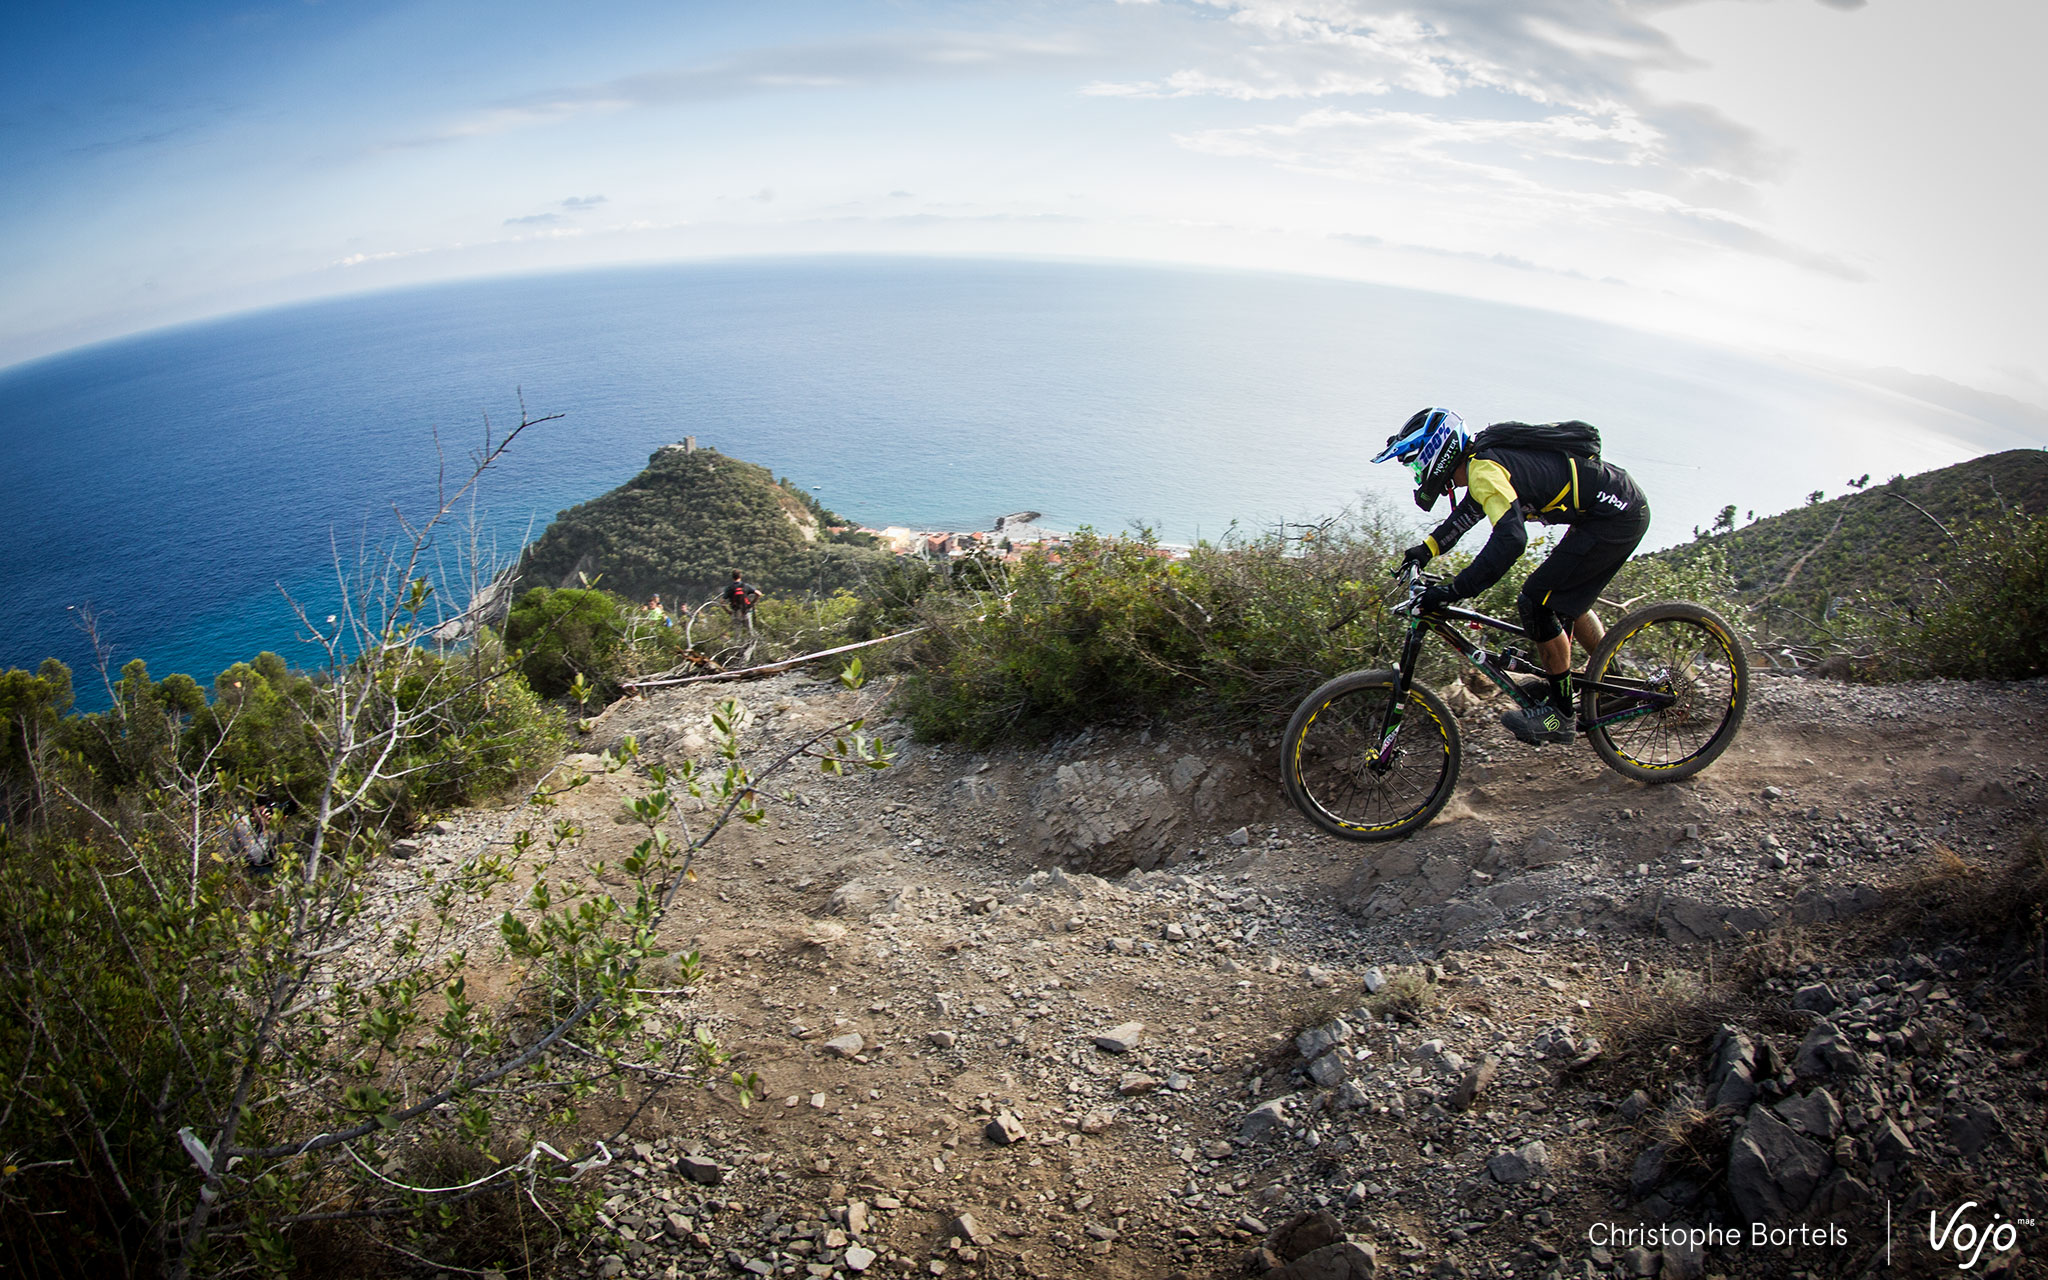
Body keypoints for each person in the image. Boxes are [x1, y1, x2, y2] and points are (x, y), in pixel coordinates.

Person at [1374, 407, 1650, 747]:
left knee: (1536, 601)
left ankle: (1560, 716)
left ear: (1437, 455)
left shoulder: (1482, 470)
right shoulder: (1480, 462)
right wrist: (1425, 550)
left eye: (1417, 464)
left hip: (1615, 516)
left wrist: (1455, 590)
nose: (1418, 474)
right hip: (1612, 508)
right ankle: (1612, 687)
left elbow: (1511, 540)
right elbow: (1464, 517)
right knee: (1562, 597)